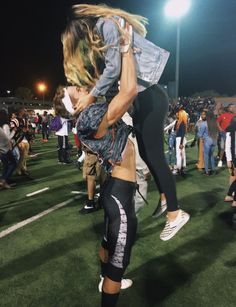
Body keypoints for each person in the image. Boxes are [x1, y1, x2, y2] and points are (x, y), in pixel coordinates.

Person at [62, 3, 189, 241]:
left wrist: (90, 94)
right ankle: (165, 198)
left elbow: (115, 71)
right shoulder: (103, 30)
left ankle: (175, 213)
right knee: (148, 153)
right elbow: (112, 76)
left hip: (148, 97)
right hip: (144, 100)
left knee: (156, 157)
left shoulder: (106, 24)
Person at [58, 25, 137, 307]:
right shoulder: (89, 117)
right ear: (74, 104)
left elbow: (111, 85)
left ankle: (105, 278)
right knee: (119, 260)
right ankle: (109, 283)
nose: (79, 87)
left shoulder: (89, 112)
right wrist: (126, 50)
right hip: (120, 192)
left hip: (114, 189)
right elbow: (128, 92)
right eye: (75, 90)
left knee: (107, 245)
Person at [198, 111, 219, 176]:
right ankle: (213, 169)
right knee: (211, 155)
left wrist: (199, 129)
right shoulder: (215, 123)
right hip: (214, 141)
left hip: (207, 141)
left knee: (206, 156)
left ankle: (207, 171)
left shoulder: (204, 123)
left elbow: (199, 135)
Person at [172, 109, 188, 176]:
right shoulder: (180, 122)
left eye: (178, 114)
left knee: (179, 154)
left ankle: (179, 169)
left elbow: (182, 133)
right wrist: (176, 120)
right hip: (179, 139)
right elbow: (175, 129)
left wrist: (181, 143)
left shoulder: (182, 123)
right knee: (181, 154)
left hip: (180, 139)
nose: (177, 114)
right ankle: (181, 168)